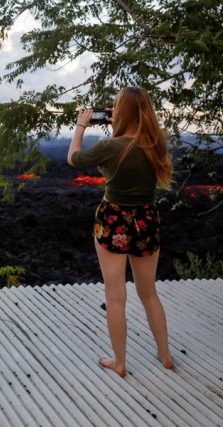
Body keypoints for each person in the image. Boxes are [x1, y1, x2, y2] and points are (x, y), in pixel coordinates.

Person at [67, 87, 174, 377]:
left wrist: (81, 125)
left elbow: (74, 158)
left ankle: (120, 362)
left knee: (115, 294)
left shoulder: (109, 147)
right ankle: (165, 354)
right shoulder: (156, 145)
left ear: (120, 112)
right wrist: (121, 126)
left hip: (113, 220)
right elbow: (131, 146)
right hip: (147, 219)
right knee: (149, 291)